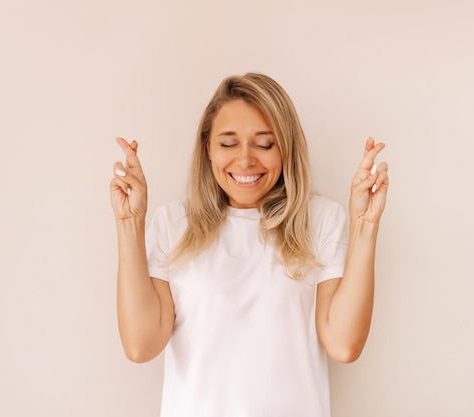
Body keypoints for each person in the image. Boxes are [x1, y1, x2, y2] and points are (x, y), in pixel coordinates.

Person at [109, 73, 389, 417]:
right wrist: (129, 224)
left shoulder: (320, 220)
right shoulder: (172, 224)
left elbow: (344, 344)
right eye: (228, 143)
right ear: (207, 149)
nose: (245, 160)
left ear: (286, 148)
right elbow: (140, 345)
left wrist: (365, 226)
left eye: (265, 144)